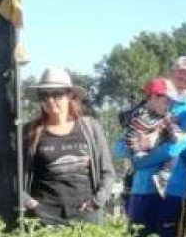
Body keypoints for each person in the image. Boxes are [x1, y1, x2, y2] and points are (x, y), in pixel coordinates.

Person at [116, 56, 186, 237]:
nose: (183, 82)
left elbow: (176, 149)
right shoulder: (148, 103)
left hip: (172, 189)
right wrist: (138, 146)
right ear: (171, 73)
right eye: (180, 75)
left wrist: (141, 156)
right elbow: (118, 147)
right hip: (140, 189)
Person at [21, 67, 117, 226]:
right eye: (44, 96)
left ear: (70, 96)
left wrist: (97, 202)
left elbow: (107, 172)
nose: (50, 101)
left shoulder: (90, 128)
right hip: (44, 219)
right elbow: (11, 175)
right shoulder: (29, 132)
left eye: (57, 94)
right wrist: (30, 203)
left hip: (86, 216)